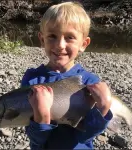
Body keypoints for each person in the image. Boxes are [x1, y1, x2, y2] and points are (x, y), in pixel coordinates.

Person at [21, 2, 113, 149]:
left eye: (69, 37)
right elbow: (36, 141)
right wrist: (42, 118)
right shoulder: (32, 80)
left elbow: (85, 136)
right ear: (42, 39)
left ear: (84, 43)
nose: (60, 45)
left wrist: (103, 109)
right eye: (52, 36)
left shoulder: (89, 82)